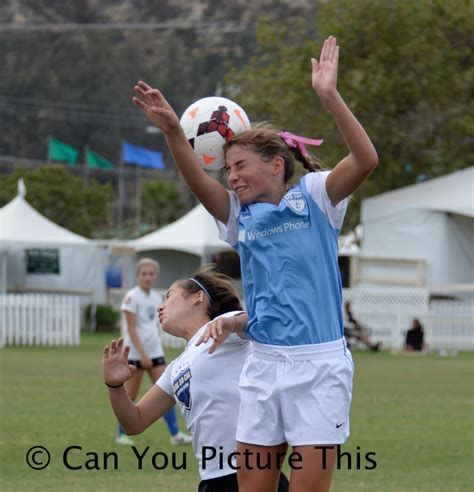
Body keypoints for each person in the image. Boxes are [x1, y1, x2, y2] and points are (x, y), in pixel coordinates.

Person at [133, 35, 378, 492]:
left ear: (277, 165)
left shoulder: (317, 197)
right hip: (262, 365)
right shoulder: (239, 217)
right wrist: (172, 132)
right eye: (227, 171)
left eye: (241, 165)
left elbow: (366, 159)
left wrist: (330, 95)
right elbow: (195, 184)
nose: (233, 177)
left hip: (318, 366)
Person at [103, 268, 289, 491]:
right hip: (213, 479)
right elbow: (135, 422)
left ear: (198, 297)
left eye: (169, 295)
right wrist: (115, 386)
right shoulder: (176, 367)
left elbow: (262, 323)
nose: (160, 306)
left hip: (252, 472)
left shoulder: (224, 325)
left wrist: (235, 323)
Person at [116, 257, 191, 446]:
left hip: (154, 352)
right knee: (130, 395)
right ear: (137, 276)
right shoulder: (131, 297)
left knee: (167, 390)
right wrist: (142, 354)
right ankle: (121, 434)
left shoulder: (157, 297)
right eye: (144, 274)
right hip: (135, 353)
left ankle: (175, 434)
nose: (148, 277)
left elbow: (156, 325)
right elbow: (132, 329)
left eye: (151, 274)